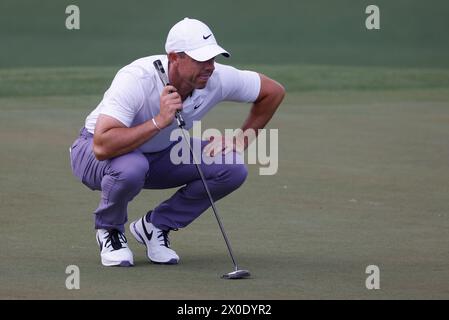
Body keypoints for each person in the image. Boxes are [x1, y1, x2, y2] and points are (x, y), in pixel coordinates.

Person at [69, 17, 285, 267]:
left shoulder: (216, 79)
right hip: (93, 155)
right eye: (200, 60)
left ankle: (155, 226)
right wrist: (159, 121)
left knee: (232, 167)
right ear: (174, 57)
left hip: (159, 153)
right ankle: (110, 230)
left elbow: (273, 91)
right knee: (131, 167)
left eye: (212, 59)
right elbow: (102, 144)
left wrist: (241, 140)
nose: (210, 67)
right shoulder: (137, 78)